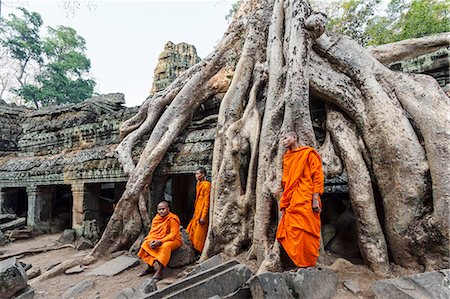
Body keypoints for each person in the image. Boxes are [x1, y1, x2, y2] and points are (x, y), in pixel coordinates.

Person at [276, 131, 324, 268]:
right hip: (292, 198)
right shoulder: (287, 157)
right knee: (291, 230)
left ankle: (308, 262)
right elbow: (287, 180)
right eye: (282, 139)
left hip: (306, 197)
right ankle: (296, 262)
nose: (283, 141)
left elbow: (318, 176)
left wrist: (315, 198)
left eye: (286, 138)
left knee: (307, 230)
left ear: (294, 138)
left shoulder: (308, 153)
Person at [137, 200, 182, 280]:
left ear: (168, 209)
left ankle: (160, 271)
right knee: (145, 243)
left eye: (163, 209)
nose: (161, 211)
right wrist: (151, 241)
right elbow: (152, 232)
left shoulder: (172, 218)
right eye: (159, 209)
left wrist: (160, 241)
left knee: (165, 247)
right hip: (158, 238)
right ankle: (150, 267)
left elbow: (173, 235)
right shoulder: (156, 219)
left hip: (174, 240)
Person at [186, 167, 211, 252]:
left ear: (203, 174)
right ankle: (194, 251)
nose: (196, 175)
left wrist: (203, 216)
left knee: (199, 234)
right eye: (195, 174)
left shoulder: (206, 185)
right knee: (191, 231)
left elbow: (206, 201)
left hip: (202, 212)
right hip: (197, 211)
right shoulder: (199, 184)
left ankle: (200, 252)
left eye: (197, 174)